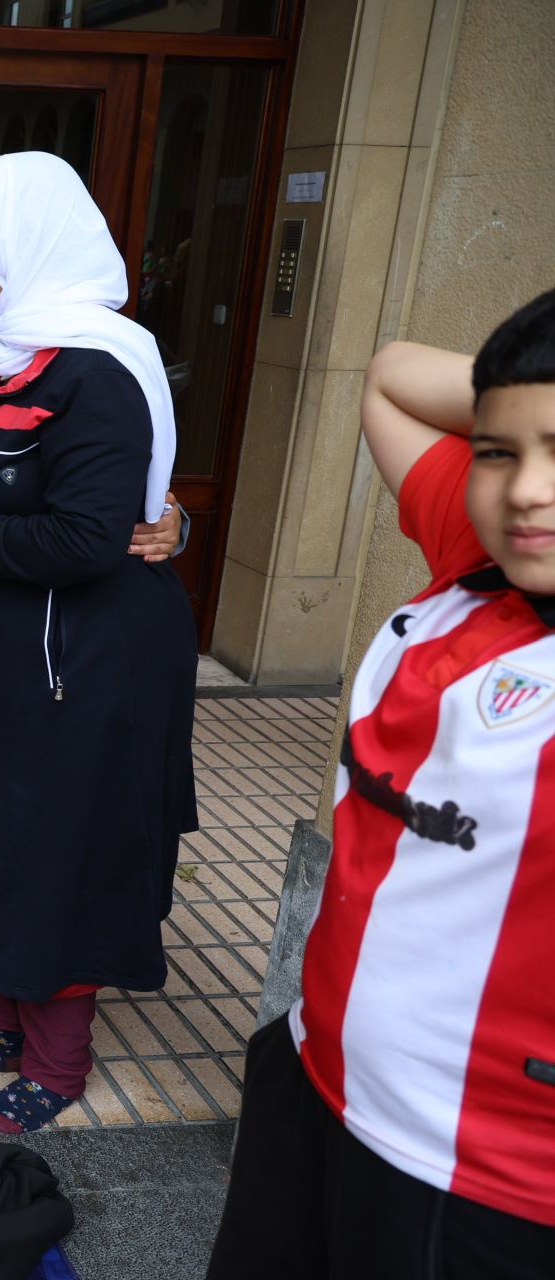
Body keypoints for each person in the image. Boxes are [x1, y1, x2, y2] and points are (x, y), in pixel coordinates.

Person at [207, 294, 555, 1277]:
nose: (528, 488)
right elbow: (394, 375)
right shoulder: (488, 555)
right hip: (316, 1077)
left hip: (479, 1180)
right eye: (499, 448)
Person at [0, 152, 197, 1132]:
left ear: (24, 240)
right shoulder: (1, 346)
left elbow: (87, 535)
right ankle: (1, 1020)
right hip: (7, 656)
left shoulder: (98, 371)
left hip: (81, 667)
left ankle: (57, 1062)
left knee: (54, 851)